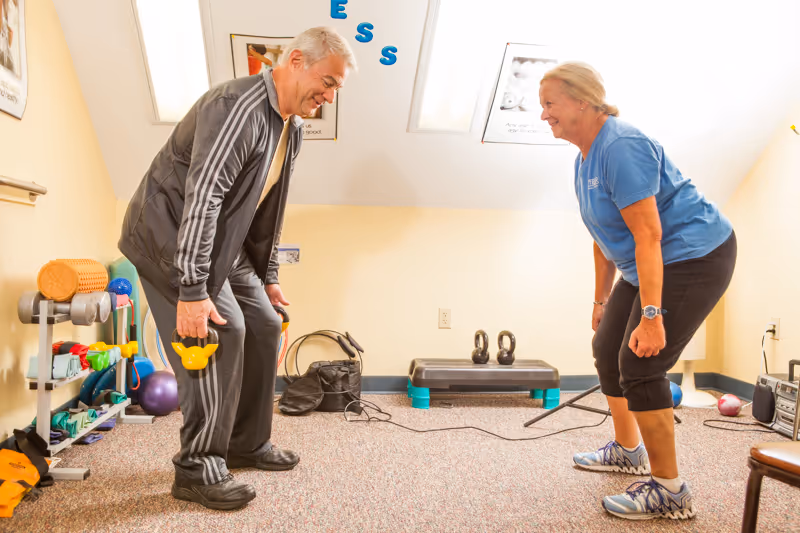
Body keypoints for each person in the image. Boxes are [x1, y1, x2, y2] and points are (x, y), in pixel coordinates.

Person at [119, 27, 357, 511]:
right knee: (219, 332)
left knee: (266, 324)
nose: (330, 96)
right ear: (295, 61)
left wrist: (268, 276)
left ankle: (245, 443)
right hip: (168, 237)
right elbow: (203, 200)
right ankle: (196, 466)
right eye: (328, 82)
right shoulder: (236, 108)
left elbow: (265, 208)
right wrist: (191, 290)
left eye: (337, 89)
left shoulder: (293, 128)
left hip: (221, 244)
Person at [539, 62, 736, 520]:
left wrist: (651, 315)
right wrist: (601, 300)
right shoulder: (584, 157)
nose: (544, 114)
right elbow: (603, 234)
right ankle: (628, 450)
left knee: (641, 362)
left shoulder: (621, 146)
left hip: (694, 254)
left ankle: (671, 491)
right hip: (643, 262)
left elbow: (649, 235)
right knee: (607, 347)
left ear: (582, 100)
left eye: (550, 103)